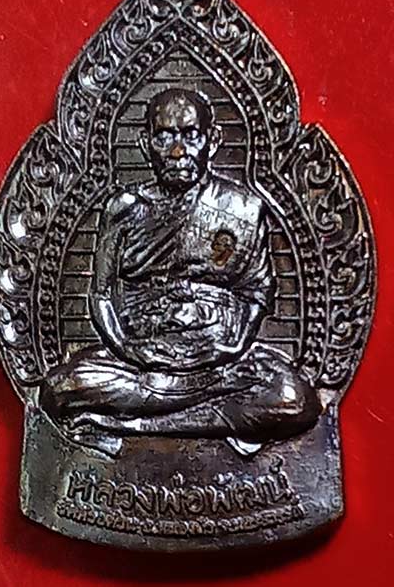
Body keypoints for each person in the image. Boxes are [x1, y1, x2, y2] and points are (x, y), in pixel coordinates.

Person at [41, 89, 320, 453]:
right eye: (164, 137)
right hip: (141, 363)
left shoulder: (243, 208)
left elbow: (257, 292)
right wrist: (128, 349)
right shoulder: (125, 208)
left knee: (293, 400)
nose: (177, 152)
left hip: (220, 363)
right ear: (145, 143)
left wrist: (234, 344)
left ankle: (126, 424)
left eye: (190, 136)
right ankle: (198, 420)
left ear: (212, 140)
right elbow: (102, 295)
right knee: (60, 390)